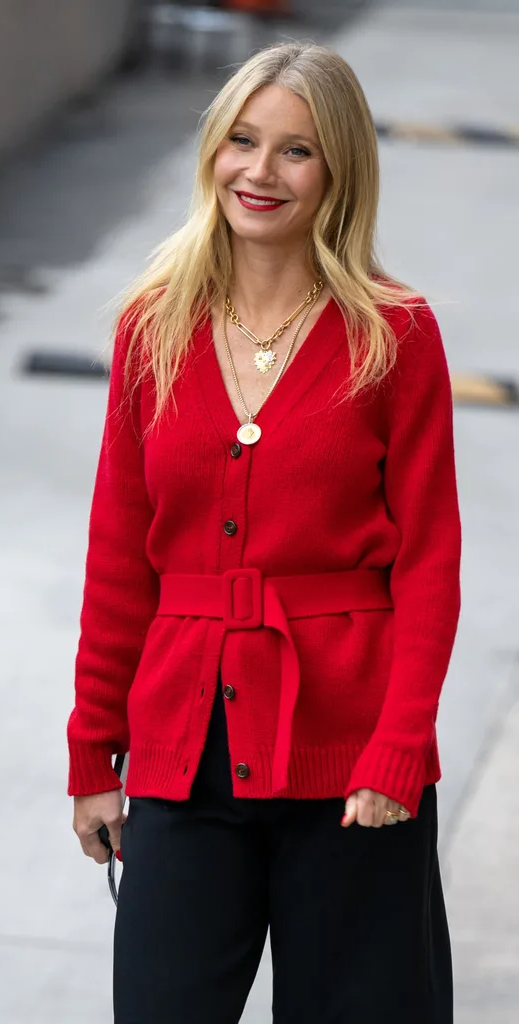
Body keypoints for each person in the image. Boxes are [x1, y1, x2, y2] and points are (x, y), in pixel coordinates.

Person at [67, 42, 461, 1024]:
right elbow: (119, 555)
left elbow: (428, 561)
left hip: (351, 761)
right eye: (243, 141)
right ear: (213, 151)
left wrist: (399, 746)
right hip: (180, 748)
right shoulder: (152, 328)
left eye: (296, 151)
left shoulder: (394, 335)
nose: (260, 171)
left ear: (338, 173)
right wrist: (92, 755)